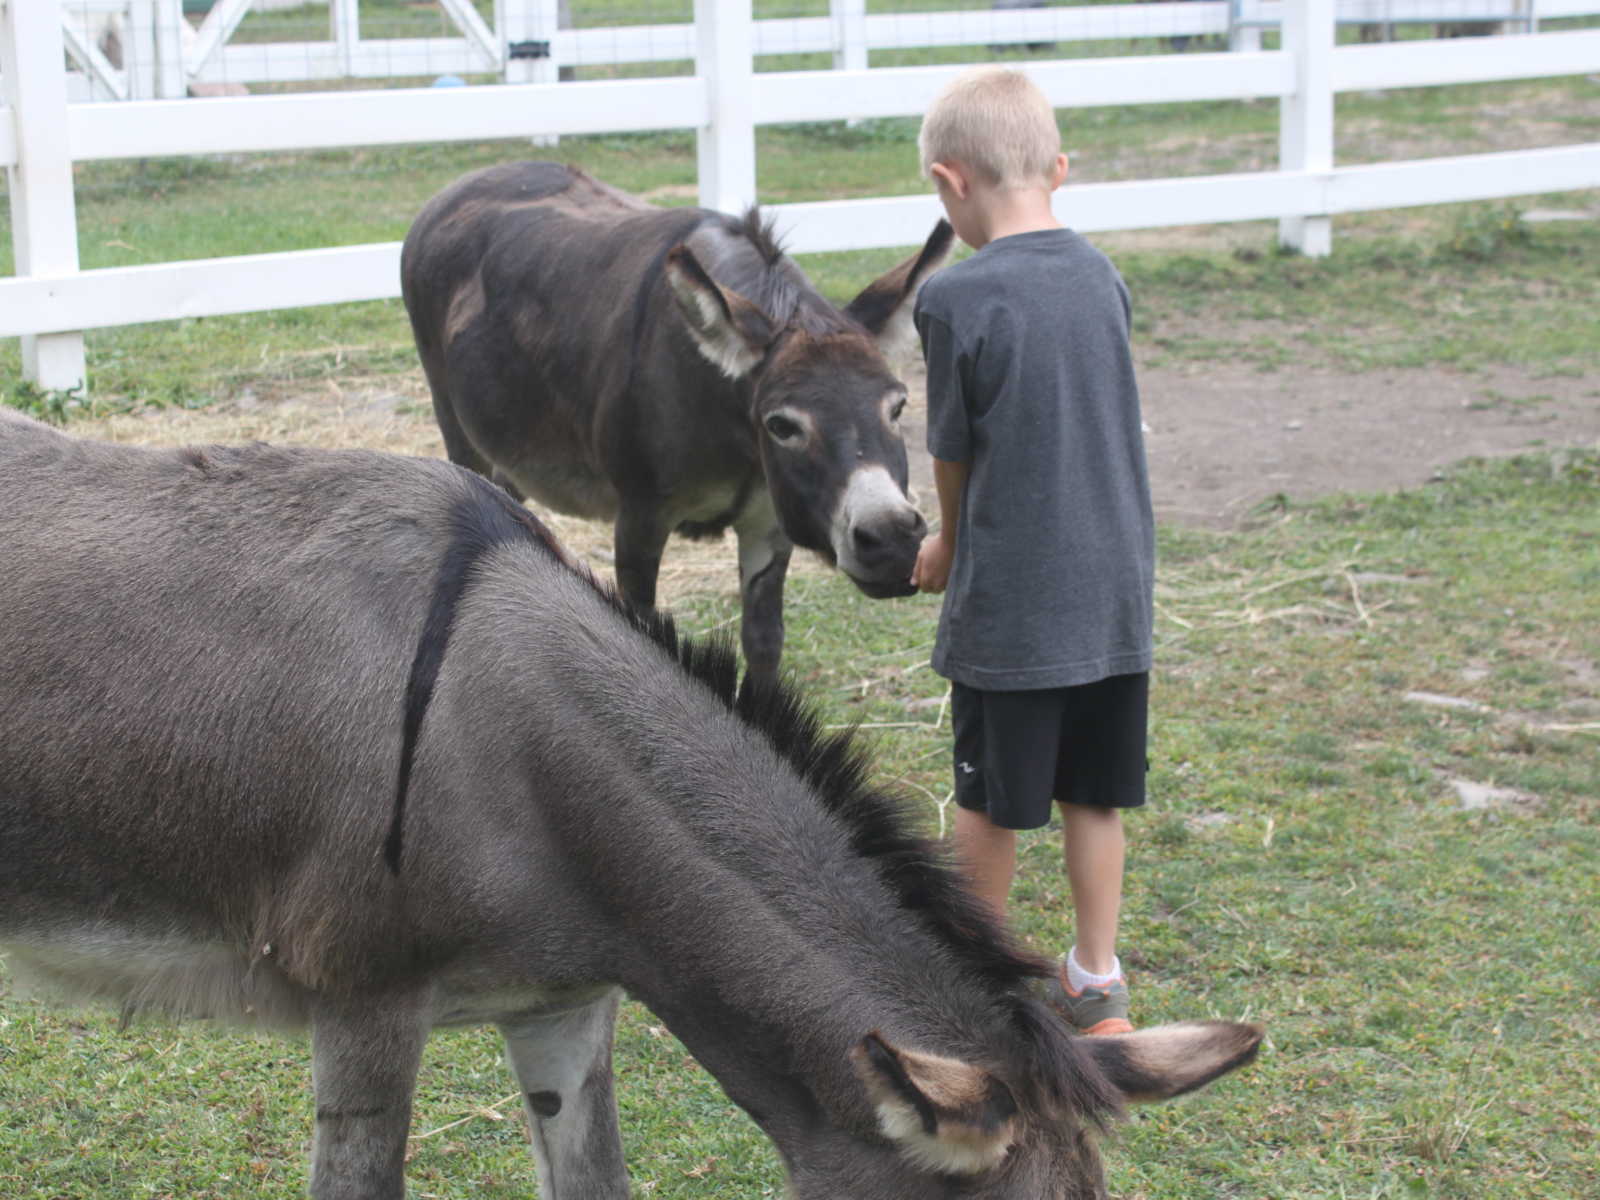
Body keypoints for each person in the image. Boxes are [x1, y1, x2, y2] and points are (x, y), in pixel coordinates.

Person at [909, 66, 1154, 1036]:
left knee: (990, 803)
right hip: (1113, 597)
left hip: (1013, 606)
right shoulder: (1102, 277)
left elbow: (952, 453)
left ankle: (976, 982)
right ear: (1057, 168)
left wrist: (945, 543)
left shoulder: (953, 302)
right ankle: (1096, 983)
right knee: (1095, 796)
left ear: (948, 181)